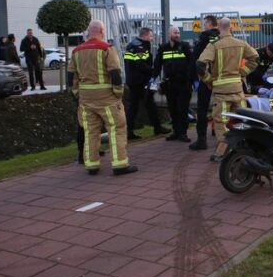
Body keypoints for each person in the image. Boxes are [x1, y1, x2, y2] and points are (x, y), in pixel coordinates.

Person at [68, 19, 137, 175]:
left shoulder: (76, 51)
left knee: (90, 132)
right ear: (101, 30)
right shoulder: (106, 48)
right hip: (107, 99)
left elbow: (71, 76)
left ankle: (92, 165)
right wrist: (118, 93)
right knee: (116, 129)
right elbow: (115, 74)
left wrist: (77, 93)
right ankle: (119, 164)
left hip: (86, 99)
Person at [197, 17, 259, 162]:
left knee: (221, 124)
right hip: (238, 90)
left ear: (218, 28)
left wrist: (208, 80)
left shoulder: (214, 45)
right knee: (243, 120)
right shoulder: (241, 43)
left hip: (221, 92)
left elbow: (200, 66)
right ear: (231, 28)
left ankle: (222, 153)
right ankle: (246, 150)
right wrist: (242, 72)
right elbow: (255, 59)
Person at [124, 27, 169, 139]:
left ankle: (130, 131)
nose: (152, 38)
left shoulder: (132, 46)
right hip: (140, 81)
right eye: (151, 36)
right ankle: (156, 128)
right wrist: (154, 71)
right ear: (144, 35)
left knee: (140, 105)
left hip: (133, 80)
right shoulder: (139, 47)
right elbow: (140, 65)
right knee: (143, 105)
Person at [154, 26, 193, 142]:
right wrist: (153, 77)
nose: (177, 35)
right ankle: (176, 132)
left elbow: (192, 63)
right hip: (170, 84)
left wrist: (194, 80)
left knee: (182, 109)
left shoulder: (185, 47)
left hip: (183, 83)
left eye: (178, 33)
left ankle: (183, 133)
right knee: (173, 109)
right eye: (175, 33)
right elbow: (157, 64)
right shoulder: (163, 48)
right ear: (169, 34)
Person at [189, 15, 221, 151]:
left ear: (208, 23)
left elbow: (196, 57)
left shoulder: (204, 36)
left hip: (206, 77)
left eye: (204, 23)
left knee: (202, 109)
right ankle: (220, 135)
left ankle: (202, 140)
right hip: (222, 78)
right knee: (222, 107)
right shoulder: (223, 36)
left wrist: (195, 78)